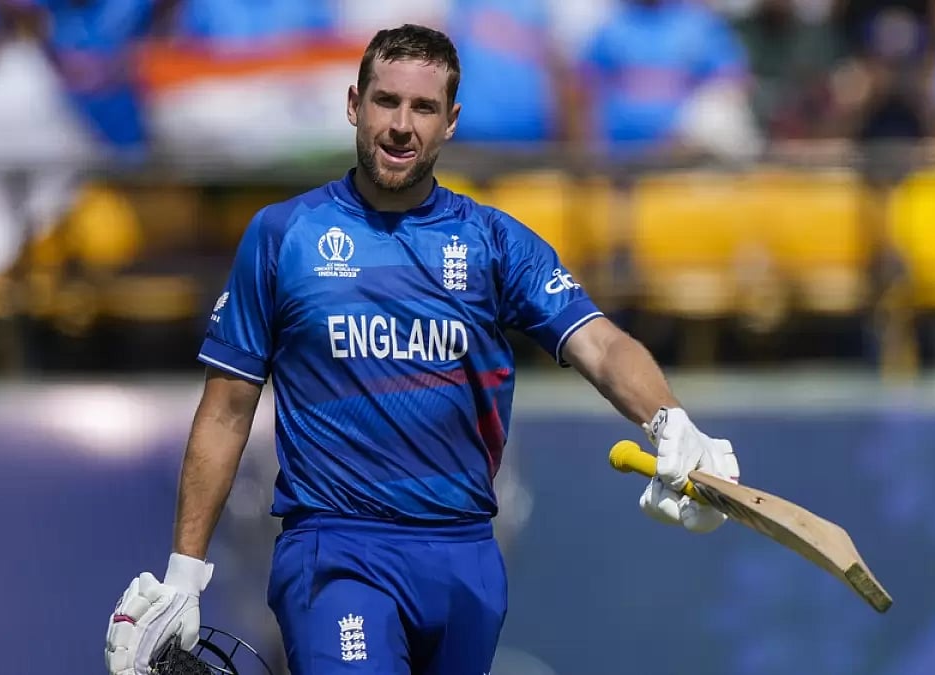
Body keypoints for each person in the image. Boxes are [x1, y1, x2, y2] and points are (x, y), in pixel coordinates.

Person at [105, 23, 740, 675]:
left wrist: (670, 419)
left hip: (466, 557)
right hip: (335, 550)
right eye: (386, 101)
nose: (401, 126)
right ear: (354, 105)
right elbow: (226, 409)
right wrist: (184, 573)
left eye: (423, 107)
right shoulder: (282, 236)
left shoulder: (496, 242)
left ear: (451, 121)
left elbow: (601, 345)